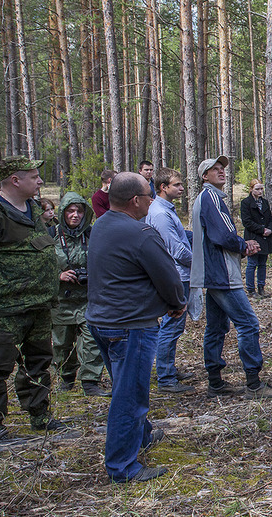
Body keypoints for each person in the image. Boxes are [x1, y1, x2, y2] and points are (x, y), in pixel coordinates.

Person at [86, 172, 186, 483]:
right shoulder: (142, 233)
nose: (152, 200)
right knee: (129, 396)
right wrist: (176, 302)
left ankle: (140, 436)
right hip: (130, 325)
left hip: (101, 321)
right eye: (148, 195)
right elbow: (168, 277)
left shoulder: (101, 225)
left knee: (123, 385)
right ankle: (122, 467)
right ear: (134, 201)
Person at [191, 156, 272, 399]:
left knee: (216, 327)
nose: (222, 172)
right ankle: (253, 383)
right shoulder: (210, 198)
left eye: (223, 169)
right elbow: (222, 235)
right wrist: (243, 245)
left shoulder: (209, 198)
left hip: (214, 272)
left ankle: (215, 381)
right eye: (215, 169)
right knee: (248, 324)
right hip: (222, 273)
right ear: (205, 176)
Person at [0, 156, 66, 441]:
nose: (39, 182)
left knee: (38, 361)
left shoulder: (34, 209)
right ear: (15, 180)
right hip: (5, 307)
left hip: (39, 303)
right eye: (34, 176)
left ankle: (40, 415)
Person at [52, 192, 109, 397]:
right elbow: (39, 266)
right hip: (61, 300)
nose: (75, 215)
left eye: (79, 211)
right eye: (70, 211)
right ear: (63, 213)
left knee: (92, 341)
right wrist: (58, 275)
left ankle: (90, 381)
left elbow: (106, 261)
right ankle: (66, 378)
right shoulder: (51, 236)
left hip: (89, 299)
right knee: (61, 344)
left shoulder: (93, 234)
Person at [146, 168, 196, 394]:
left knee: (174, 326)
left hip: (179, 273)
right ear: (163, 187)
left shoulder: (165, 210)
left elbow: (181, 238)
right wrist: (200, 264)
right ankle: (165, 378)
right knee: (171, 326)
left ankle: (169, 369)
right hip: (177, 274)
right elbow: (176, 249)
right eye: (176, 185)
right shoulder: (160, 213)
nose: (182, 188)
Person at [240, 178, 272, 298]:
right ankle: (251, 289)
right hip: (253, 237)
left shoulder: (264, 202)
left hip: (266, 238)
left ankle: (261, 287)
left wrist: (270, 229)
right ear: (251, 189)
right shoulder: (245, 203)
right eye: (257, 189)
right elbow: (247, 222)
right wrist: (261, 230)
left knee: (262, 264)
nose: (260, 191)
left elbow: (270, 218)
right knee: (252, 263)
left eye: (261, 188)